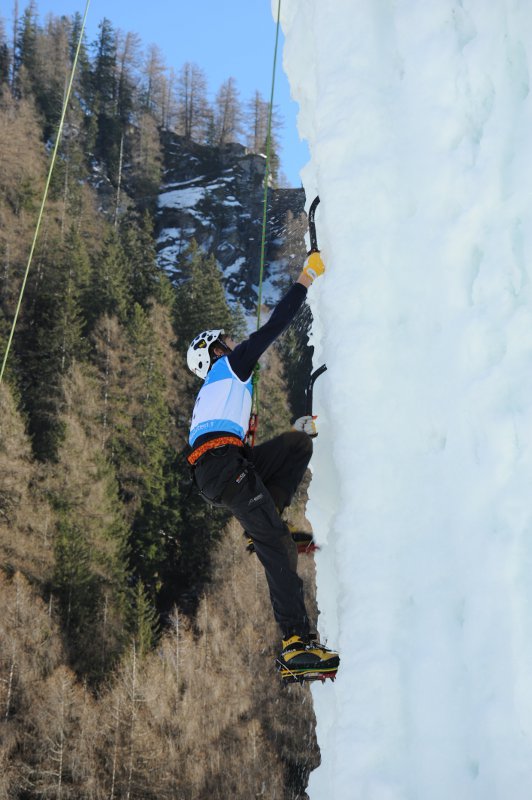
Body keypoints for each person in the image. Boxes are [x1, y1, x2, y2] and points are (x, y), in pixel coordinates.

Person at [186, 252, 339, 679]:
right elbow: (274, 327)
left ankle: (266, 527)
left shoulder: (218, 390)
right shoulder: (229, 368)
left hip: (223, 465)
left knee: (294, 446)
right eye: (225, 340)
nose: (233, 342)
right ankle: (296, 644)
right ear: (215, 351)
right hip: (223, 466)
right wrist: (305, 278)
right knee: (278, 548)